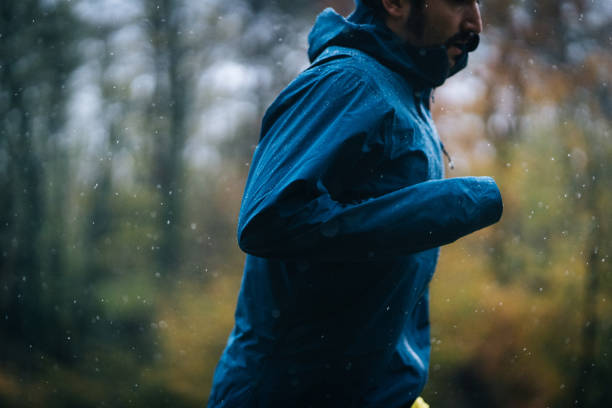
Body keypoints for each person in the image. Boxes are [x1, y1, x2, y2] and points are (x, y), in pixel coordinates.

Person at [208, 0, 502, 406]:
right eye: (456, 2)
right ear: (395, 3)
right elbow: (269, 220)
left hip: (381, 394)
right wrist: (445, 206)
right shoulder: (347, 82)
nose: (475, 23)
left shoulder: (406, 92)